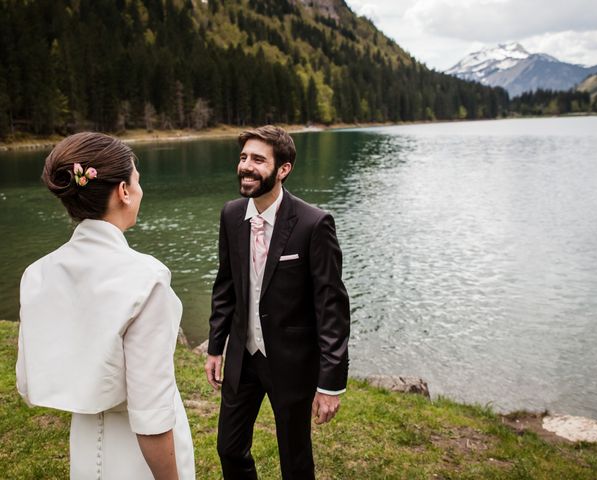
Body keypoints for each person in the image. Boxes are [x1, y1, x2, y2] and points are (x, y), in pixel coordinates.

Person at [16, 132, 195, 480]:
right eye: (137, 182)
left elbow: (27, 383)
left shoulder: (36, 274)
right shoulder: (146, 278)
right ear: (124, 191)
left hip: (84, 442)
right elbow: (151, 416)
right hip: (138, 457)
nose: (140, 191)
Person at [204, 125, 350, 479]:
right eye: (243, 158)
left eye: (258, 159)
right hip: (244, 355)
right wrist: (215, 347)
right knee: (229, 447)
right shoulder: (231, 215)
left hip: (291, 361)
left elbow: (331, 306)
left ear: (283, 169)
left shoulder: (314, 224)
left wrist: (329, 383)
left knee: (294, 457)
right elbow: (226, 286)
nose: (246, 166)